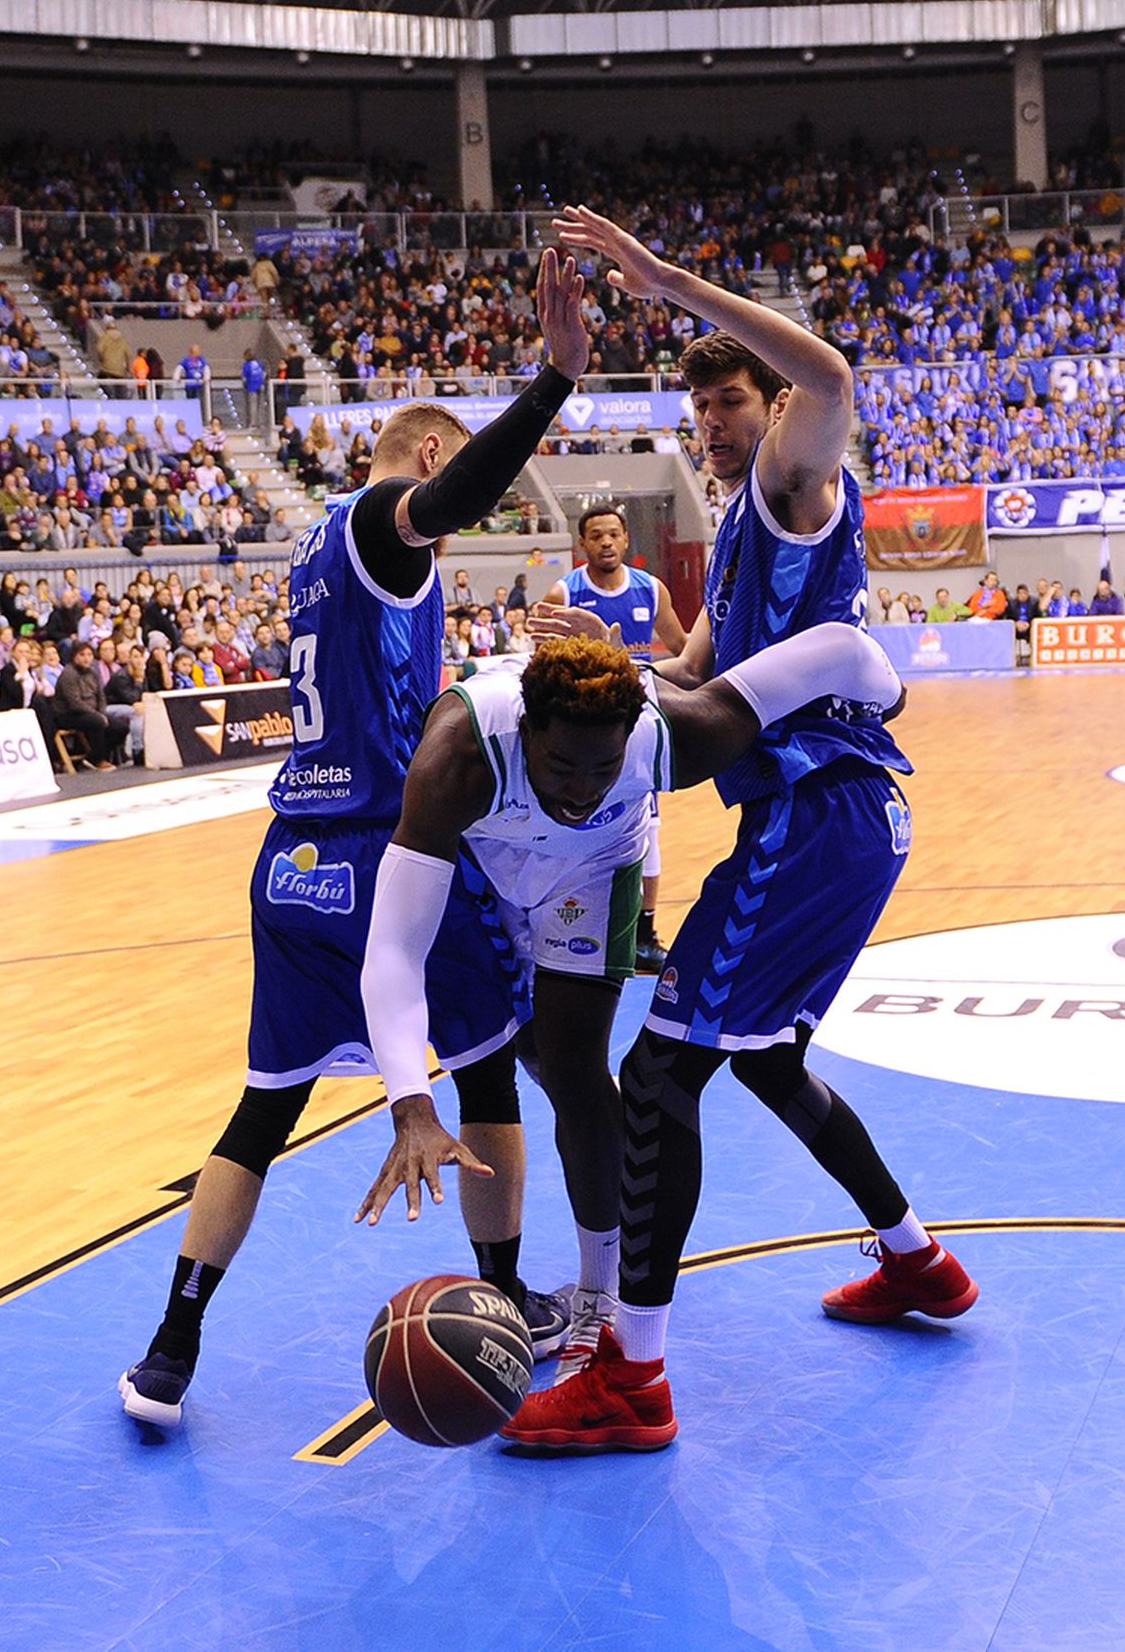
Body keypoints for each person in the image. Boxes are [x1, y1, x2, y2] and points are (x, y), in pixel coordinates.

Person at [501, 204, 975, 1454]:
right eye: (699, 406)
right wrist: (606, 655)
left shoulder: (791, 480)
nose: (713, 423)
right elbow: (693, 674)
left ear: (768, 412)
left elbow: (831, 374)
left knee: (658, 1073)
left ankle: (633, 1380)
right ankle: (916, 1259)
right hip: (842, 817)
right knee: (758, 1055)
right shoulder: (736, 535)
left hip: (813, 813)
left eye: (731, 402)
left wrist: (659, 279)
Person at [119, 248, 594, 1432]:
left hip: (291, 861)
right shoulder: (384, 524)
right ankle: (505, 1299)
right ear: (426, 457)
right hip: (389, 857)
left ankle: (169, 1346)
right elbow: (453, 502)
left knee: (261, 1109)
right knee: (488, 1059)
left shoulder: (313, 557)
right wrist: (549, 382)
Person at [355, 622, 906, 1389]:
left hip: (594, 874)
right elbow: (391, 952)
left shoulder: (676, 732)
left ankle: (599, 1295)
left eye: (602, 767)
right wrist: (411, 1105)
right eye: (561, 766)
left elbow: (845, 650)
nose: (582, 789)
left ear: (632, 740)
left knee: (577, 1069)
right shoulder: (459, 753)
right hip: (483, 864)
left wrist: (893, 694)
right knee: (526, 1052)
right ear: (527, 729)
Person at [545, 503, 688, 972]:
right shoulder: (564, 592)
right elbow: (542, 662)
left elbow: (684, 651)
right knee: (574, 824)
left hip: (637, 726)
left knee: (648, 830)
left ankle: (644, 934)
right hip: (582, 733)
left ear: (626, 540)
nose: (606, 542)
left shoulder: (652, 589)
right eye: (596, 536)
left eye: (613, 535)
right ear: (582, 543)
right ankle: (564, 924)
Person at [52, 641, 126, 768]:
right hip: (68, 714)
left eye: (89, 655)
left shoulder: (93, 672)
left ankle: (94, 755)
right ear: (74, 656)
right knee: (97, 721)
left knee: (121, 728)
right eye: (82, 655)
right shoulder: (68, 674)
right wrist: (97, 715)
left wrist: (101, 712)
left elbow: (101, 696)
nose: (86, 658)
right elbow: (74, 702)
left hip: (92, 711)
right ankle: (98, 759)